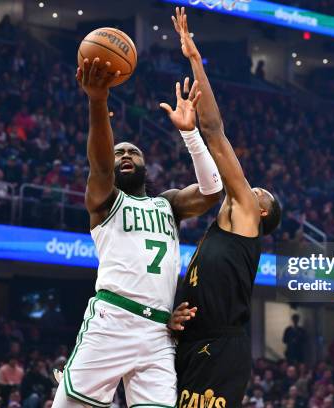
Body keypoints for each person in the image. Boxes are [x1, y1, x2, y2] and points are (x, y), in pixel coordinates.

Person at [51, 48, 223, 407]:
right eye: (119, 153)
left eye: (133, 153)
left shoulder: (169, 204)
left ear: (146, 166)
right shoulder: (105, 202)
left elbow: (212, 190)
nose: (125, 156)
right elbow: (99, 165)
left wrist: (191, 134)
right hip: (112, 321)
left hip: (158, 332)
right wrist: (98, 102)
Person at [167, 8, 282, 407]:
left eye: (258, 193)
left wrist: (195, 60)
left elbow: (215, 132)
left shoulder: (245, 218)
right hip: (190, 343)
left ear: (261, 213)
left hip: (219, 349)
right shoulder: (218, 234)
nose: (251, 191)